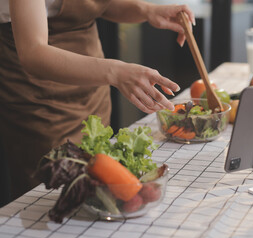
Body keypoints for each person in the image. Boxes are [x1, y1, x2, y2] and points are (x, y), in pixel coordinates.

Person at [0, 0, 195, 201]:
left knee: (100, 194)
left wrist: (147, 10)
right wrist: (115, 72)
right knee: (52, 199)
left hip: (93, 87)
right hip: (41, 99)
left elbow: (94, 4)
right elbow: (33, 53)